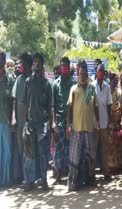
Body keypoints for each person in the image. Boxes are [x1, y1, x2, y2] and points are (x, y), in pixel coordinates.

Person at [67, 62, 99, 191]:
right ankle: (74, 182)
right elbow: (69, 108)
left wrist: (98, 122)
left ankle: (90, 180)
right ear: (77, 74)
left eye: (84, 73)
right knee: (75, 156)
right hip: (76, 128)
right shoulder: (73, 89)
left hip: (89, 128)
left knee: (90, 156)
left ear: (87, 75)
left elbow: (96, 107)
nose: (82, 75)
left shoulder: (92, 89)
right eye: (80, 73)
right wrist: (69, 125)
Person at [22, 52, 52, 191]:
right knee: (29, 154)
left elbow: (49, 107)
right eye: (34, 62)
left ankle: (44, 180)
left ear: (42, 64)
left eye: (39, 62)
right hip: (30, 123)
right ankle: (29, 181)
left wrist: (50, 125)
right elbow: (24, 104)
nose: (36, 64)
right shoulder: (28, 82)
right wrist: (25, 124)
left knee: (41, 153)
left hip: (42, 125)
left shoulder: (47, 84)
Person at [51, 57, 76, 185]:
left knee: (71, 149)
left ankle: (70, 174)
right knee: (59, 149)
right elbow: (53, 106)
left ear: (69, 67)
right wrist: (53, 122)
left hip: (71, 122)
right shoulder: (55, 84)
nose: (64, 67)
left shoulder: (73, 83)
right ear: (60, 67)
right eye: (62, 65)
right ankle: (58, 173)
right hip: (59, 121)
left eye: (66, 65)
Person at [11, 53, 33, 185]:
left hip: (31, 122)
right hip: (19, 121)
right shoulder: (19, 80)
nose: (20, 66)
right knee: (21, 150)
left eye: (23, 63)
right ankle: (24, 178)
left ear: (29, 64)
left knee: (30, 150)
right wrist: (13, 118)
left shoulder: (33, 79)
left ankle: (30, 179)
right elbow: (14, 100)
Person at [91, 64, 112, 181]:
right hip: (94, 124)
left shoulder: (107, 87)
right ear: (96, 72)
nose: (100, 73)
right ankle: (92, 173)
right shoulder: (91, 86)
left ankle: (106, 172)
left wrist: (110, 121)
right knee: (93, 149)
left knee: (105, 149)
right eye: (99, 71)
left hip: (104, 123)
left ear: (104, 73)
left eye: (102, 71)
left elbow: (109, 105)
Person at [0, 52, 14, 187]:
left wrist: (13, 119)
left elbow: (13, 102)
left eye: (1, 60)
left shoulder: (10, 80)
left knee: (8, 152)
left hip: (6, 121)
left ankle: (6, 180)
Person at [107, 73, 122, 173]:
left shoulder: (119, 92)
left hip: (117, 119)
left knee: (117, 144)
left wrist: (119, 117)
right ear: (110, 80)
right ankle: (109, 166)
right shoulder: (107, 91)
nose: (116, 82)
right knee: (110, 143)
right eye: (114, 80)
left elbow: (121, 105)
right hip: (109, 120)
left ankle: (118, 166)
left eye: (117, 80)